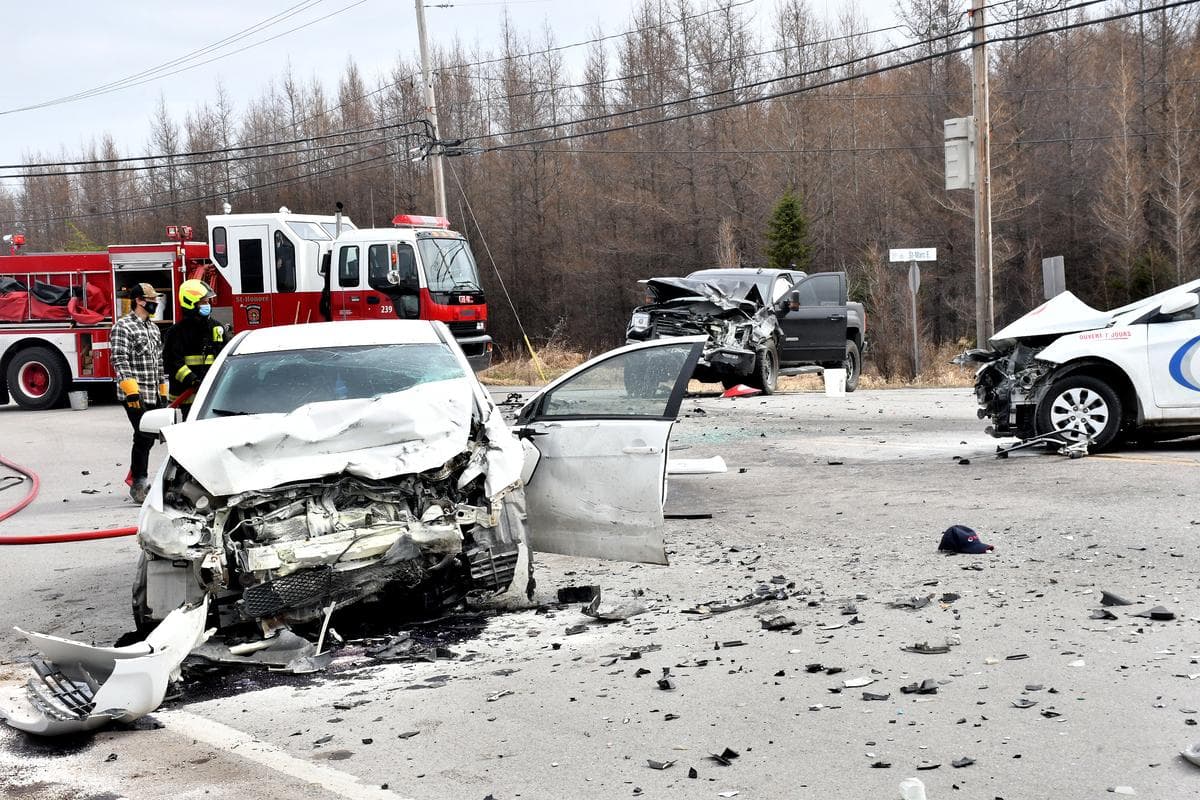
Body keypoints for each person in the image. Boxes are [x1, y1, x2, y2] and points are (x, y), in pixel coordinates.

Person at [110, 282, 167, 503]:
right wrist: (132, 392)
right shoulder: (123, 327)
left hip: (152, 392)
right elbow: (119, 359)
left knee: (147, 438)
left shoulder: (153, 328)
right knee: (143, 436)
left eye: (155, 300)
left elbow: (158, 362)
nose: (154, 303)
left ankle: (137, 478)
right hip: (135, 393)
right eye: (151, 300)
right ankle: (138, 485)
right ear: (139, 301)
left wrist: (163, 392)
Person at [163, 279, 224, 419]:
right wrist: (192, 380)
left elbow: (226, 358)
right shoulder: (176, 332)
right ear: (190, 303)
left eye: (208, 302)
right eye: (203, 302)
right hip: (188, 395)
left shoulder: (216, 328)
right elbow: (172, 363)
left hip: (213, 392)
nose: (207, 305)